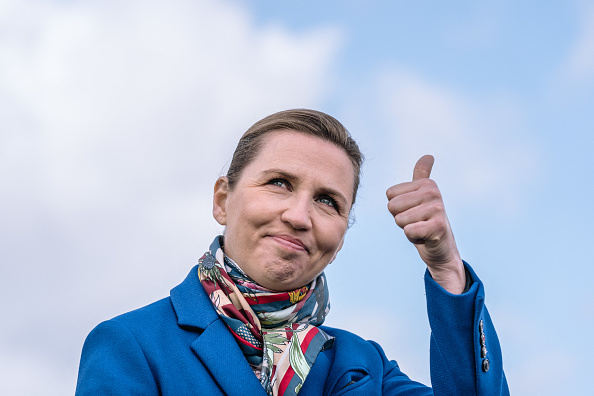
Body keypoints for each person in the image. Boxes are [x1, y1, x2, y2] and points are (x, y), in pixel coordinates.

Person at [75, 109, 509, 395]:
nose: (300, 216)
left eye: (328, 201)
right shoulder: (133, 345)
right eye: (279, 182)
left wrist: (447, 268)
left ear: (340, 239)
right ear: (222, 200)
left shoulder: (364, 367)